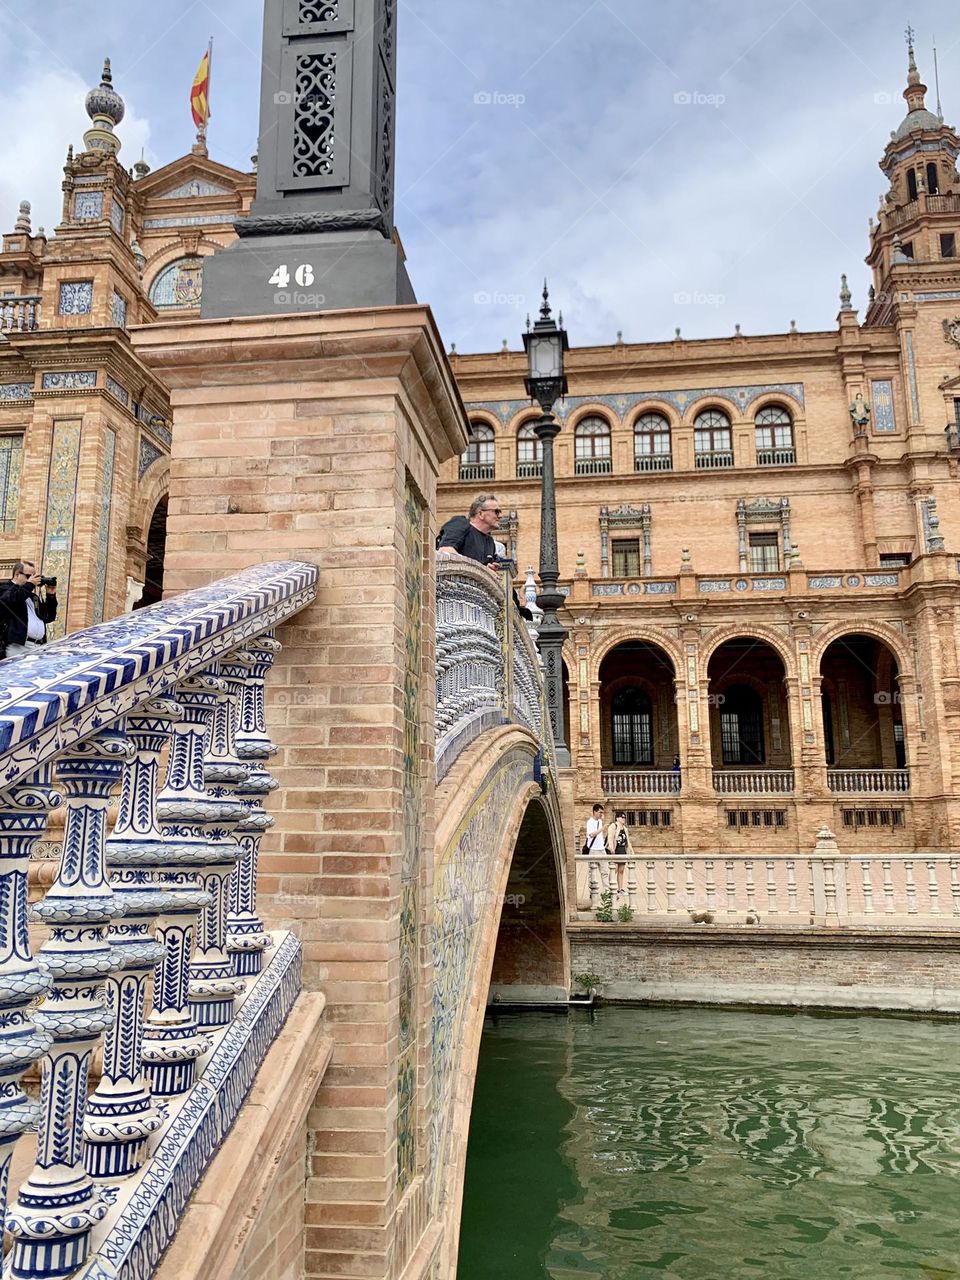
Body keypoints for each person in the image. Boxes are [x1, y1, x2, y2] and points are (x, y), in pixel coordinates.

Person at [0, 559, 58, 659]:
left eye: (33, 576)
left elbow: (49, 617)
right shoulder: (4, 589)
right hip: (17, 646)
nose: (32, 579)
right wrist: (29, 585)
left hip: (38, 646)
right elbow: (9, 601)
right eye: (28, 576)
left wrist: (50, 596)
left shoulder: (32, 596)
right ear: (17, 574)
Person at [437, 494, 502, 570]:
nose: (500, 515)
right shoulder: (460, 523)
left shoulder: (490, 542)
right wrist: (479, 570)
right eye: (496, 511)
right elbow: (446, 551)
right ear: (481, 514)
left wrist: (487, 569)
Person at [605, 809, 635, 897]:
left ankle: (620, 889)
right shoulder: (613, 826)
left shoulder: (625, 828)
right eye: (622, 817)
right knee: (614, 869)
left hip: (622, 850)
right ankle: (610, 887)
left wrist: (630, 851)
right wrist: (611, 848)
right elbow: (610, 837)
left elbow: (627, 841)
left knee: (621, 870)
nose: (624, 819)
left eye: (624, 817)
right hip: (615, 849)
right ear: (617, 818)